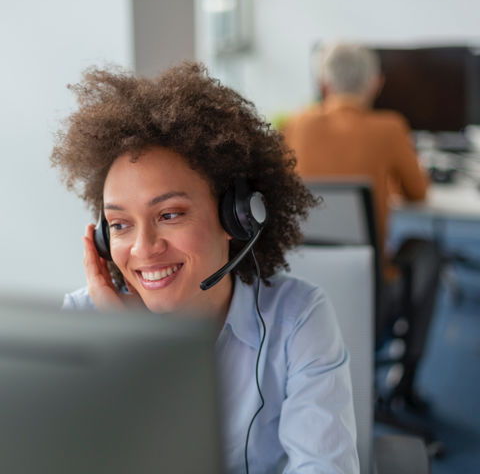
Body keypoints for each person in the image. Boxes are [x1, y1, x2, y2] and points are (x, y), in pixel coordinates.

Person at [51, 62, 359, 473]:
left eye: (171, 214)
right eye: (120, 225)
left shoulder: (297, 319)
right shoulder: (83, 322)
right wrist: (128, 348)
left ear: (237, 219)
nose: (144, 248)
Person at [284, 43, 439, 412]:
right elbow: (417, 193)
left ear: (324, 85)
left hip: (299, 288)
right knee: (428, 252)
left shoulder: (296, 125)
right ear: (375, 83)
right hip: (370, 295)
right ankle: (405, 383)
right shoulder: (389, 128)